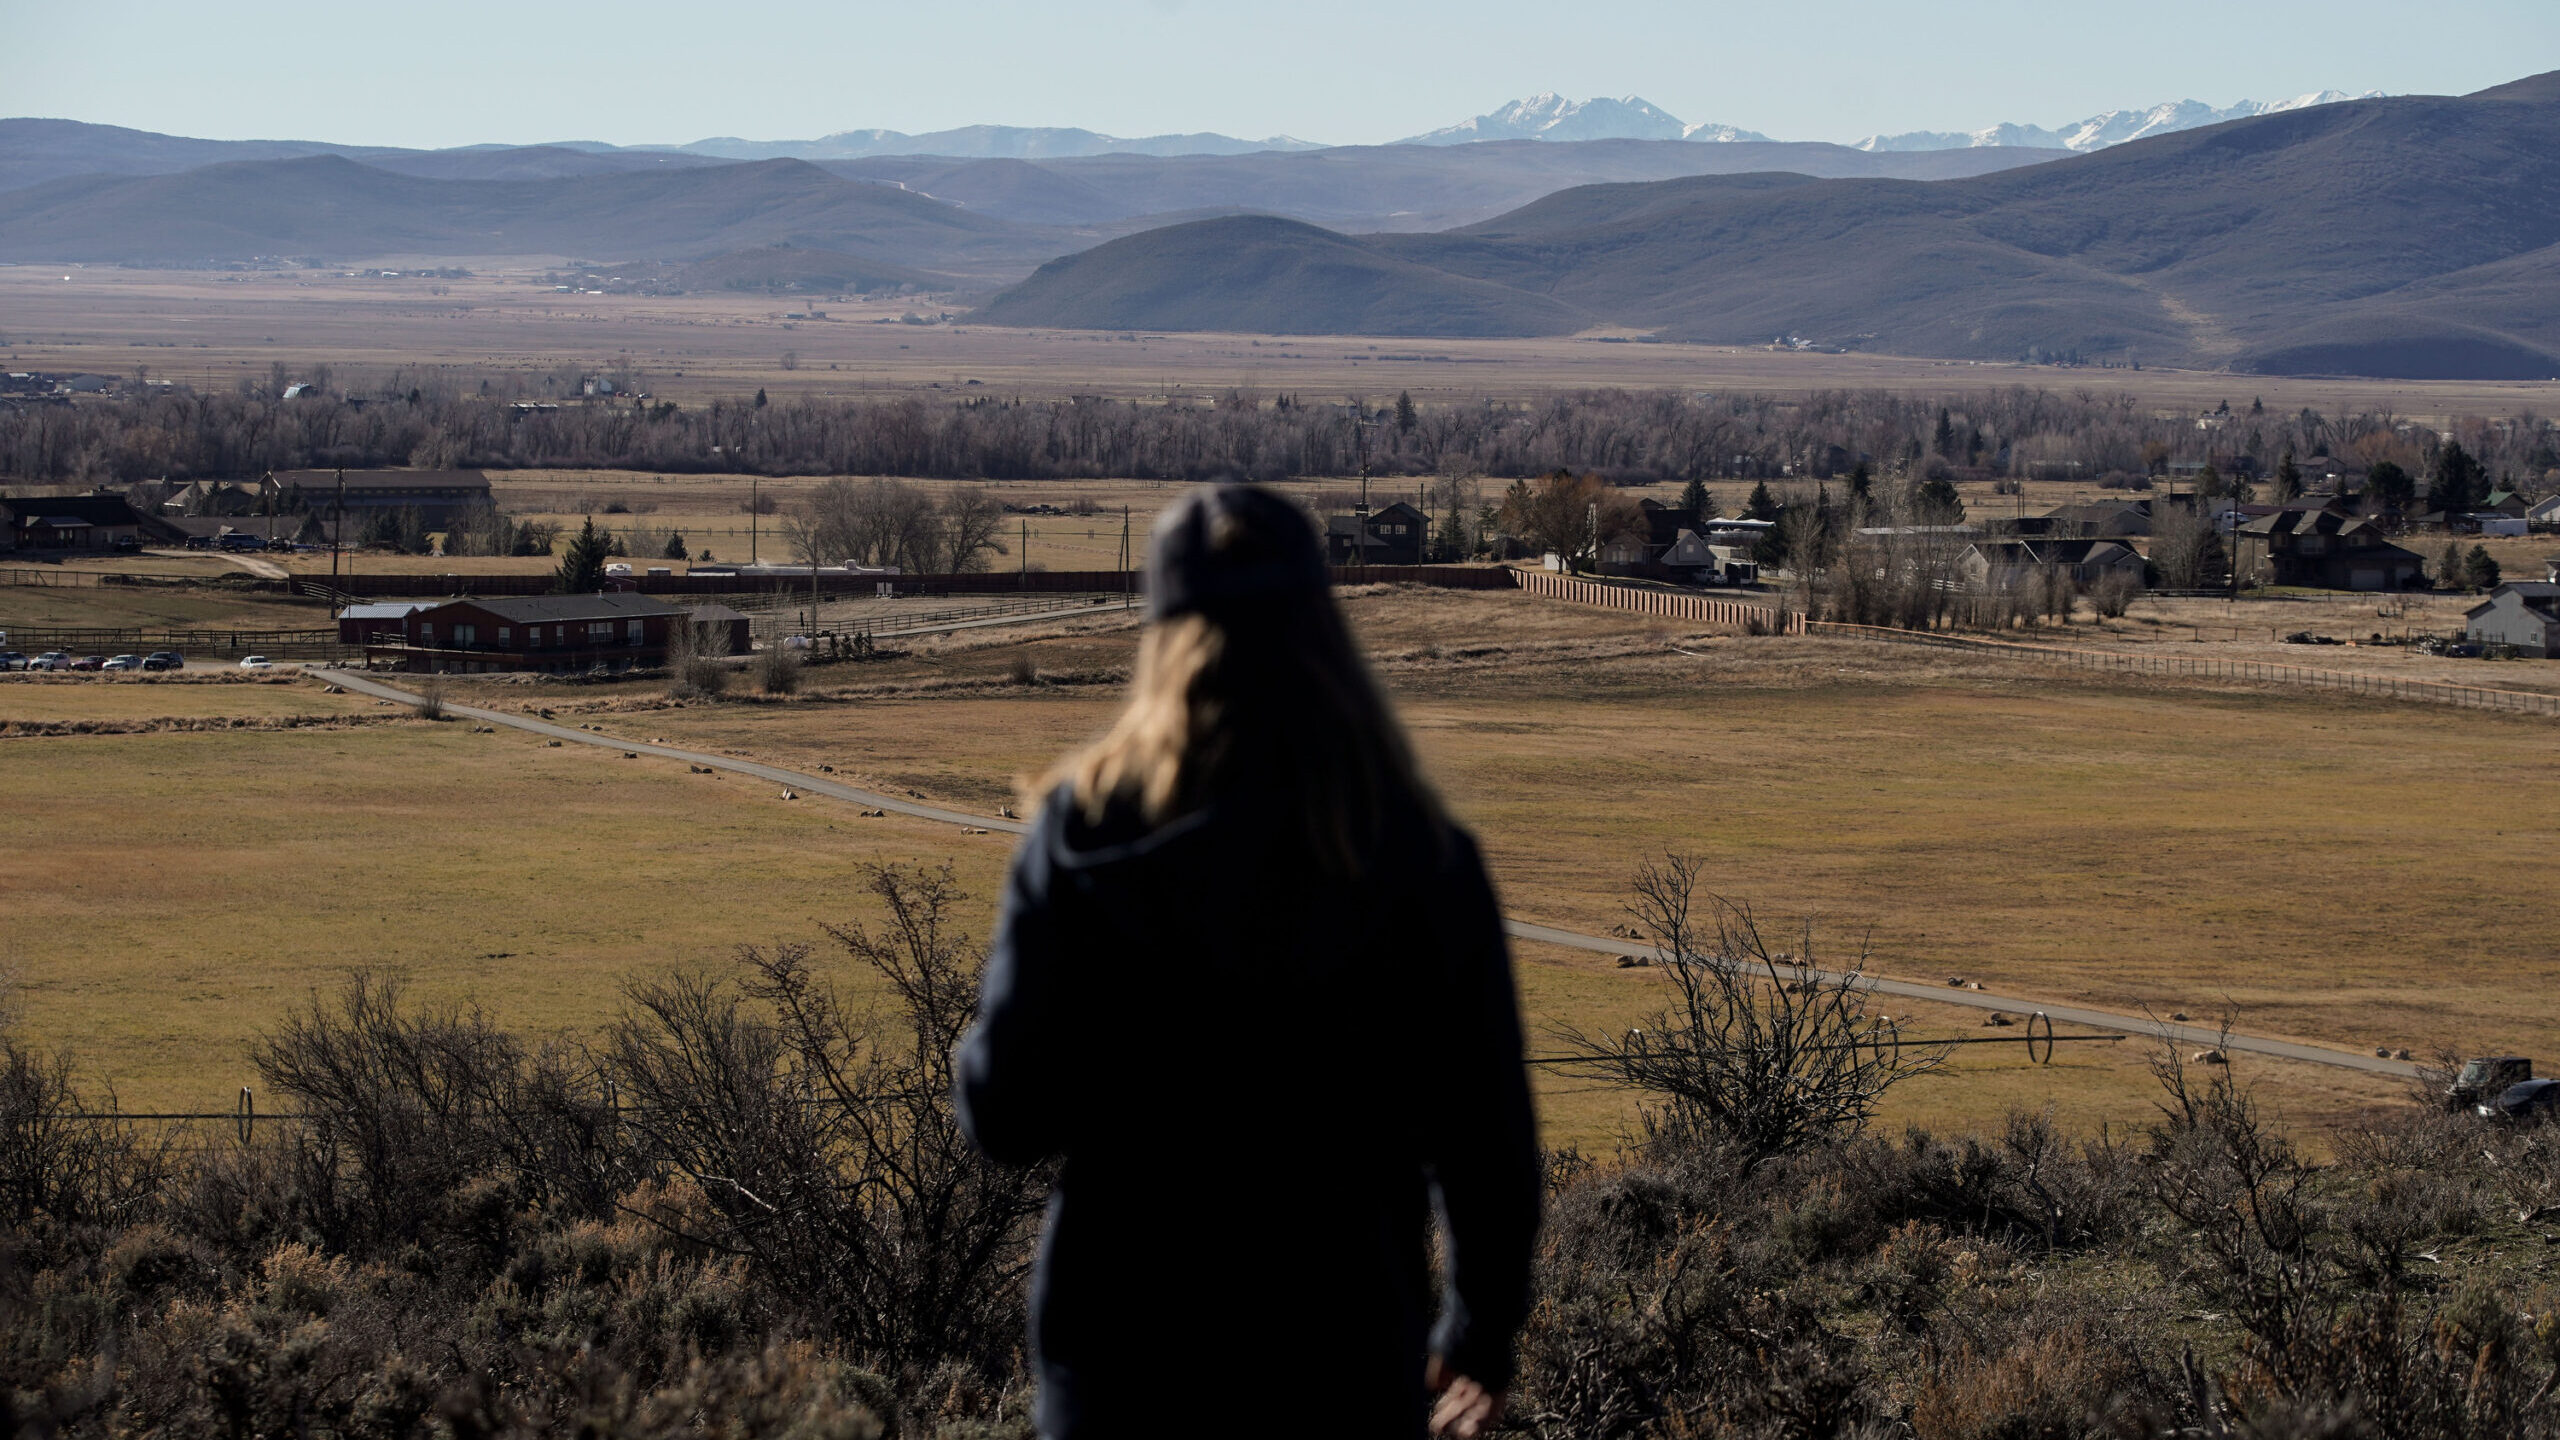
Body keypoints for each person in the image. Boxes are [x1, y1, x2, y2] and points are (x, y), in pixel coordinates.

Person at [956, 484, 1540, 1440]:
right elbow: (1487, 1139)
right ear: (1324, 633)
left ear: (1161, 638)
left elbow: (1005, 1114)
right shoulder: (1418, 857)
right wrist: (1479, 1336)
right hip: (1340, 1349)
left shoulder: (1081, 838)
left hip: (1120, 1352)